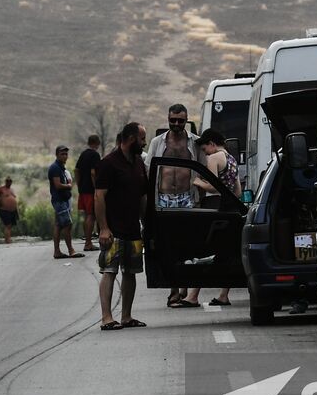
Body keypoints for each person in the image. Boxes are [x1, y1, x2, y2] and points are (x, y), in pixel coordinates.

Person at [146, 103, 204, 308]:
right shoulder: (158, 143)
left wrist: (201, 199)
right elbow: (149, 171)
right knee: (168, 245)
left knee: (187, 244)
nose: (177, 124)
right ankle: (173, 291)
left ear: (187, 120)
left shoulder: (195, 143)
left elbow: (203, 171)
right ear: (168, 119)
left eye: (181, 120)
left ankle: (185, 289)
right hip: (164, 198)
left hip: (188, 197)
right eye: (173, 120)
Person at [95, 122, 148, 330]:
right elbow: (99, 197)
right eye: (142, 139)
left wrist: (146, 222)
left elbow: (143, 196)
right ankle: (107, 317)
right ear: (132, 139)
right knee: (110, 271)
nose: (144, 143)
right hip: (113, 230)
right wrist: (104, 228)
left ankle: (126, 316)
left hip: (133, 229)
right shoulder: (108, 163)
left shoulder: (138, 163)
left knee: (131, 272)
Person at [188, 128, 237, 307]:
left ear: (211, 144)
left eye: (204, 149)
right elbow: (237, 191)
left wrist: (197, 181)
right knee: (226, 253)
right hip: (230, 208)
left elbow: (214, 186)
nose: (204, 153)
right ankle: (223, 295)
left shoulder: (214, 158)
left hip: (215, 206)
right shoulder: (232, 159)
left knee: (205, 250)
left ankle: (192, 296)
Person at [48, 145, 83, 258]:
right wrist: (68, 186)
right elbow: (57, 185)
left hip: (63, 200)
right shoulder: (55, 168)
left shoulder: (61, 167)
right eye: (62, 154)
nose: (65, 156)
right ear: (57, 155)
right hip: (59, 200)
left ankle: (57, 251)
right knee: (68, 224)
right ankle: (71, 250)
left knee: (59, 225)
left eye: (66, 154)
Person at [75, 134, 102, 251]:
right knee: (91, 216)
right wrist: (96, 188)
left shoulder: (83, 154)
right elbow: (93, 173)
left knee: (87, 215)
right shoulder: (95, 155)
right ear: (97, 143)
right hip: (91, 190)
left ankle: (87, 241)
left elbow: (76, 170)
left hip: (83, 190)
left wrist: (79, 185)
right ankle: (88, 243)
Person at [0, 176, 19, 244]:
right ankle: (7, 241)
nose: (9, 182)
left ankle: (8, 239)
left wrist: (16, 210)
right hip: (4, 209)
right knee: (8, 225)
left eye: (10, 181)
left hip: (13, 210)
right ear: (5, 182)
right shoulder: (1, 188)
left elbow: (14, 198)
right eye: (7, 181)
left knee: (10, 225)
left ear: (11, 182)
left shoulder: (11, 190)